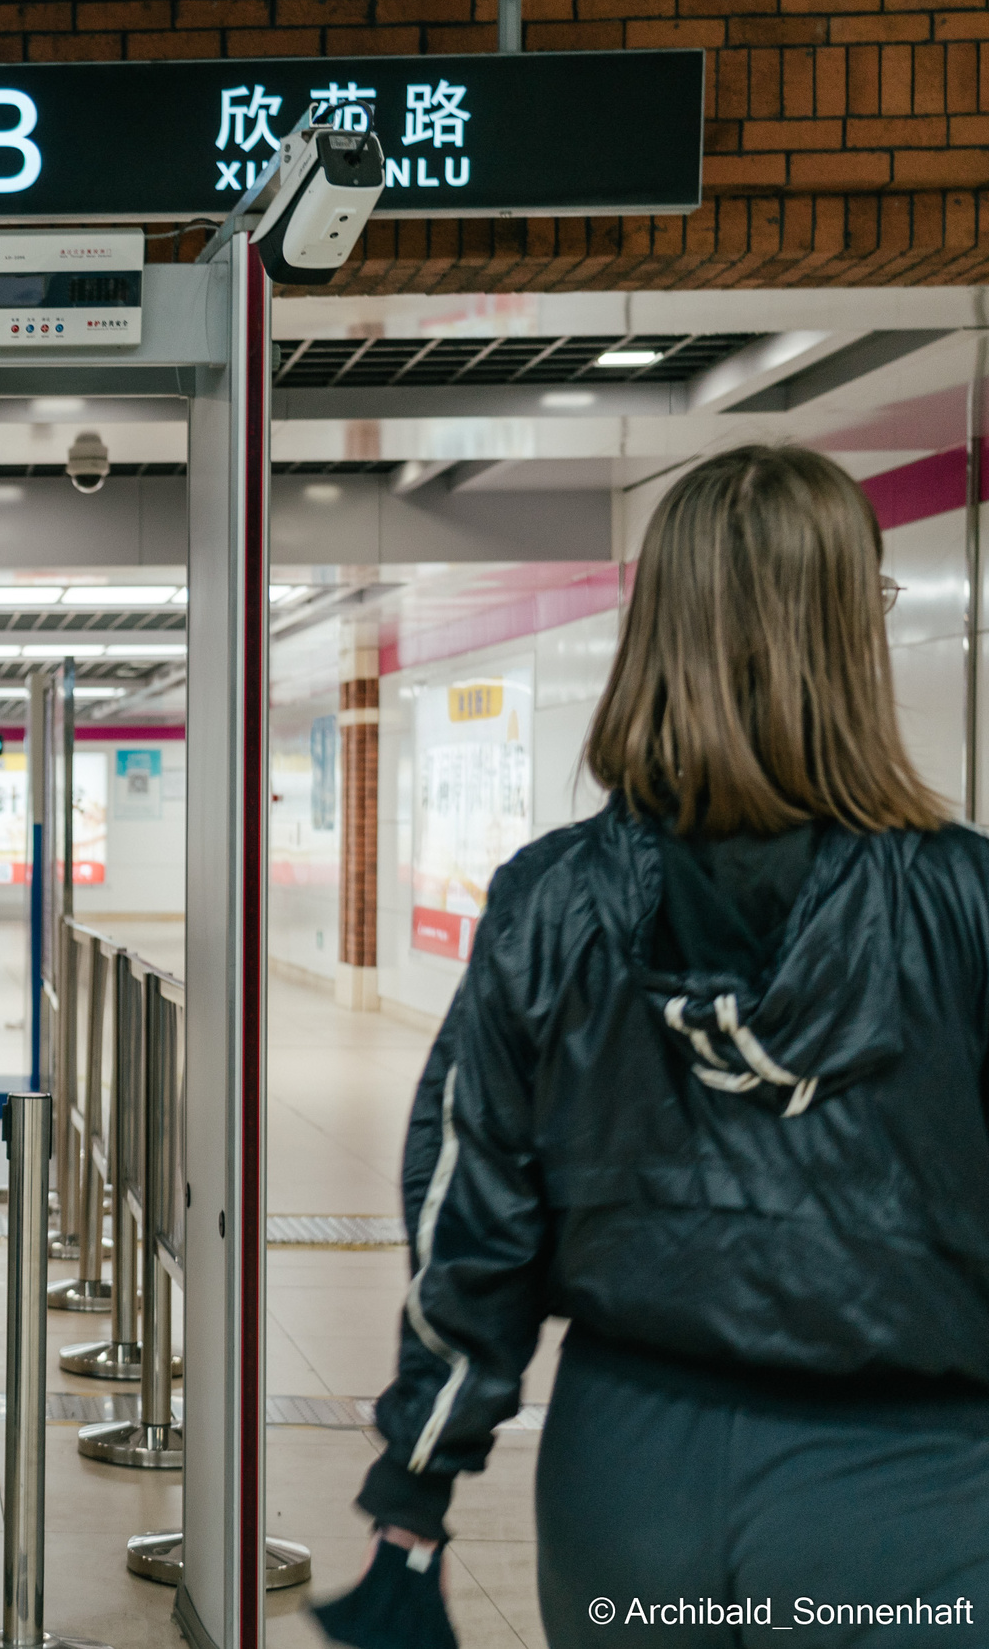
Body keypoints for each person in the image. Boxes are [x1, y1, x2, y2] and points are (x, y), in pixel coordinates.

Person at [334, 445, 989, 1643]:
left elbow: (475, 1210)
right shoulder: (966, 905)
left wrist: (416, 1478)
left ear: (657, 628)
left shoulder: (550, 901)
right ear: (851, 630)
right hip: (908, 1487)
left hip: (626, 1472)